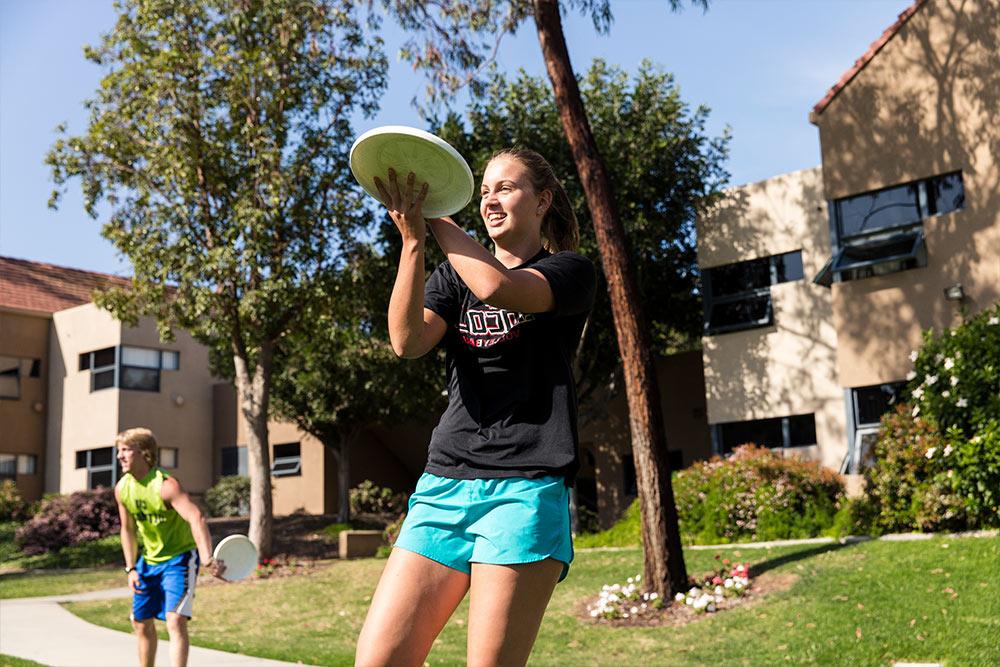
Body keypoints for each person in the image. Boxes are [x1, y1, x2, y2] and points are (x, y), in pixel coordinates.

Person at [355, 148, 596, 667]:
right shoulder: (450, 279)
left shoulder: (570, 271)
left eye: (505, 188)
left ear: (543, 200)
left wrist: (434, 210)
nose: (490, 200)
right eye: (484, 190)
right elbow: (406, 340)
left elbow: (498, 287)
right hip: (444, 483)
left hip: (525, 488)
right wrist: (414, 240)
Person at [114, 427, 226, 667]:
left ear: (144, 453)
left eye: (125, 450)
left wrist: (207, 558)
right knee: (141, 622)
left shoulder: (166, 485)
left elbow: (196, 517)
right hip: (148, 562)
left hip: (179, 559)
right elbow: (128, 529)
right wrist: (130, 568)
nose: (119, 456)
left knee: (175, 620)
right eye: (118, 451)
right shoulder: (122, 488)